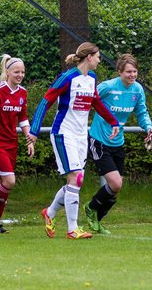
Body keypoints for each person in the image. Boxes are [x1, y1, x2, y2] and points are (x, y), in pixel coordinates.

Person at [29, 42, 120, 240]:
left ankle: (50, 213)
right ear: (89, 57)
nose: (99, 60)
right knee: (76, 178)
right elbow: (46, 101)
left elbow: (96, 102)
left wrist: (113, 121)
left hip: (80, 135)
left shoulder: (92, 78)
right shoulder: (68, 77)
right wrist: (34, 130)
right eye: (97, 56)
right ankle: (72, 229)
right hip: (63, 132)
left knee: (75, 182)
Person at [84, 53, 152, 235]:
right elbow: (87, 99)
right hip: (99, 139)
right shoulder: (107, 87)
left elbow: (141, 112)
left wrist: (148, 127)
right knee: (115, 183)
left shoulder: (137, 90)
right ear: (119, 72)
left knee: (116, 188)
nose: (132, 75)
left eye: (135, 71)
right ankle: (90, 208)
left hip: (118, 141)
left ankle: (97, 221)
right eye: (128, 72)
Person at [0, 54, 34, 234]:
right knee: (9, 180)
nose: (20, 75)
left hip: (11, 142)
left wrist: (29, 138)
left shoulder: (22, 92)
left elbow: (23, 118)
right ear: (8, 72)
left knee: (1, 183)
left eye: (22, 72)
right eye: (16, 71)